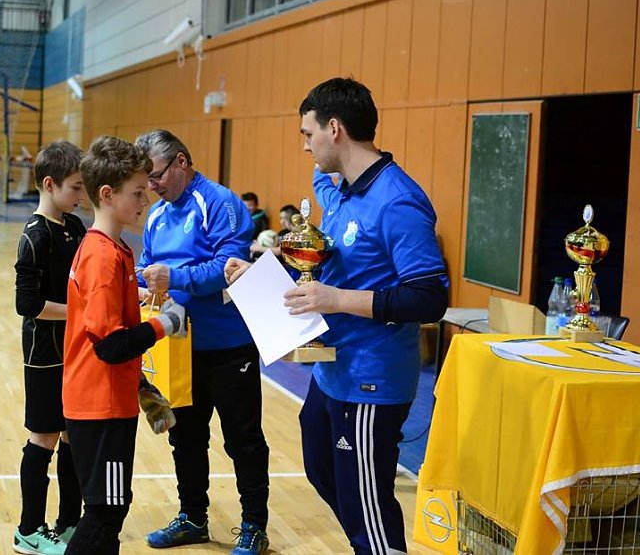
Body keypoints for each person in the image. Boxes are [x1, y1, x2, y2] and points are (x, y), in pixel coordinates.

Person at [225, 77, 448, 554]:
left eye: (308, 134)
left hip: (372, 379)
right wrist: (267, 270)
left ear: (334, 129)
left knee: (369, 514)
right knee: (324, 470)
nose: (305, 146)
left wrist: (336, 300)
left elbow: (429, 297)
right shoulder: (341, 191)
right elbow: (330, 264)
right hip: (332, 373)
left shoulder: (398, 200)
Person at [135, 130, 271, 555]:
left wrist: (174, 278)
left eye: (156, 175)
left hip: (229, 346)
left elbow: (229, 267)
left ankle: (254, 526)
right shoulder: (157, 216)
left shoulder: (219, 202)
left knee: (242, 439)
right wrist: (143, 283)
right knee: (186, 437)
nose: (152, 186)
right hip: (177, 348)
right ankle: (192, 516)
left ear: (181, 161)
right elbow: (145, 265)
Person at [61, 135, 186, 554]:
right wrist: (166, 324)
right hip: (100, 405)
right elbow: (111, 345)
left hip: (109, 398)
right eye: (137, 192)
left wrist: (144, 389)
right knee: (104, 513)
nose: (145, 200)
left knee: (108, 512)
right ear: (108, 195)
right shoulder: (101, 256)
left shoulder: (115, 250)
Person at [13, 140, 87, 555]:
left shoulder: (74, 228)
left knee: (73, 436)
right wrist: (81, 312)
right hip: (44, 355)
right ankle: (28, 530)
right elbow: (28, 305)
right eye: (75, 188)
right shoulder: (34, 237)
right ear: (49, 184)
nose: (81, 196)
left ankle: (68, 523)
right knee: (44, 437)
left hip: (76, 351)